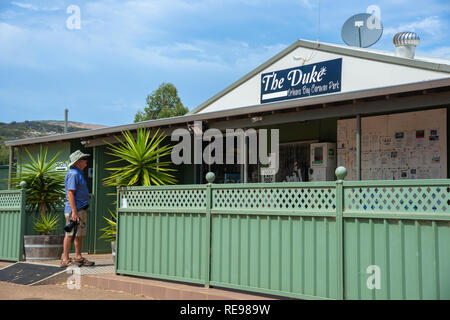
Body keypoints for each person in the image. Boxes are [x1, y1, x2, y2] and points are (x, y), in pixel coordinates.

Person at [60, 150, 95, 267]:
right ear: (78, 162)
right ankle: (65, 259)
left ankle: (78, 257)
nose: (86, 161)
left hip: (80, 209)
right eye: (84, 159)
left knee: (79, 234)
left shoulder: (78, 173)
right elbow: (70, 193)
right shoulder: (74, 174)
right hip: (74, 210)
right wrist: (74, 212)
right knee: (70, 234)